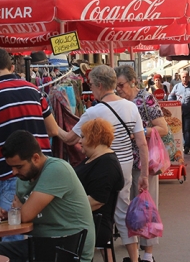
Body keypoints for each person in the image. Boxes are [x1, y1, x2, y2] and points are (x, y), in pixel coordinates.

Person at [0, 48, 59, 244]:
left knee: (13, 236)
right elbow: (53, 130)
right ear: (11, 67)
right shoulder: (35, 90)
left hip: (12, 174)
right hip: (44, 173)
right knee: (44, 232)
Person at [58, 65, 148, 262]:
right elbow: (142, 143)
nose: (90, 88)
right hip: (125, 166)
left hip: (103, 167)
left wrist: (51, 124)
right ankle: (133, 258)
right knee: (122, 211)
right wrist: (144, 175)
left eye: (91, 84)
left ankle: (105, 254)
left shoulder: (94, 112)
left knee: (101, 212)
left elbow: (70, 138)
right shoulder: (130, 106)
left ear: (99, 85)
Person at [0, 131, 96, 262]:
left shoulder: (56, 169)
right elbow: (19, 217)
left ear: (36, 158)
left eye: (19, 166)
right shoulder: (23, 178)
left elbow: (25, 215)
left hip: (69, 248)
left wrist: (21, 211)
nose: (14, 172)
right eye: (12, 167)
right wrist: (5, 214)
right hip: (44, 245)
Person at [115, 65, 170, 262]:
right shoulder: (118, 101)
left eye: (121, 84)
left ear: (132, 81)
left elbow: (163, 128)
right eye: (116, 85)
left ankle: (148, 255)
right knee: (128, 208)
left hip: (144, 162)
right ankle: (135, 253)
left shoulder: (146, 99)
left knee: (147, 207)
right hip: (123, 160)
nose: (118, 89)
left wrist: (138, 132)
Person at [74, 119, 124, 262]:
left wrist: (63, 210)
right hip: (85, 220)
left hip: (93, 225)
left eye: (83, 136)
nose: (79, 141)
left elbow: (96, 201)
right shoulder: (95, 159)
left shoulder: (106, 164)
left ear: (93, 137)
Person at [168, 70, 190, 155]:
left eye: (186, 77)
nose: (185, 79)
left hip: (189, 111)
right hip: (178, 112)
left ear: (189, 77)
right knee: (179, 130)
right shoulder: (177, 87)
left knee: (187, 129)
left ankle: (187, 146)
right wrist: (174, 104)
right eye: (183, 77)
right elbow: (171, 96)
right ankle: (178, 145)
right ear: (180, 78)